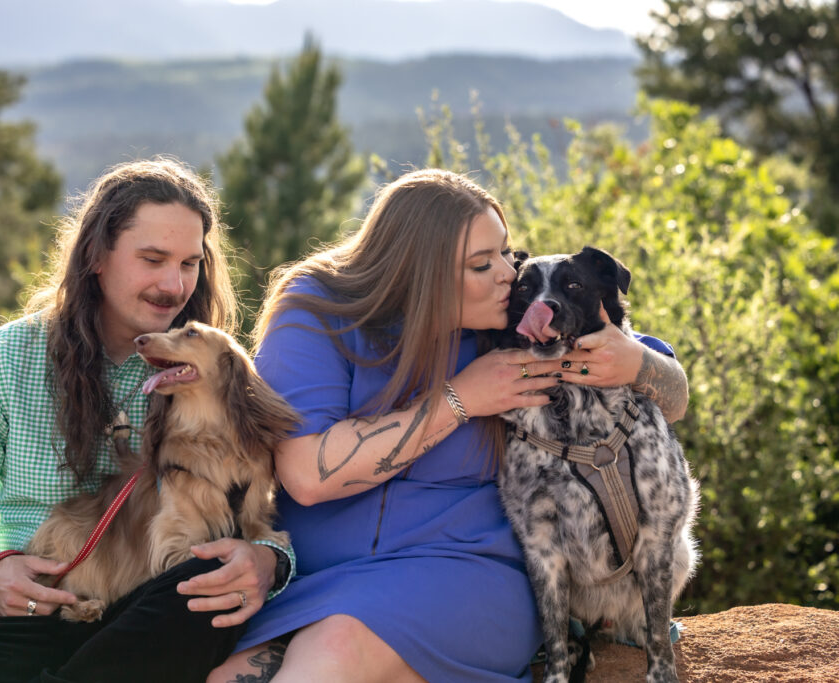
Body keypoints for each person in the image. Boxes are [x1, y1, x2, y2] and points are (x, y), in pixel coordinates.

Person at [208, 169, 689, 683]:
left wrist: (637, 363)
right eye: (483, 264)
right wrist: (461, 399)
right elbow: (307, 473)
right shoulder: (319, 311)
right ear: (420, 273)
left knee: (336, 652)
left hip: (467, 571)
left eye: (505, 252)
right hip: (318, 578)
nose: (509, 273)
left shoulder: (514, 325)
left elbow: (671, 391)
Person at [0, 158, 295, 683]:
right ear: (97, 256)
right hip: (31, 608)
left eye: (189, 264)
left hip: (152, 613)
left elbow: (266, 511)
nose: (173, 285)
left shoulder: (214, 370)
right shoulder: (6, 358)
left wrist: (267, 562)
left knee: (202, 590)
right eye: (152, 259)